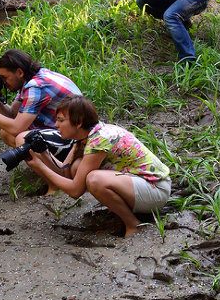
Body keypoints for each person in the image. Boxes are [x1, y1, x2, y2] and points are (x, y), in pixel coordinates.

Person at [25, 96, 171, 238]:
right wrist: (43, 153)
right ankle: (120, 209)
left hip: (156, 189)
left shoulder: (99, 139)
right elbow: (65, 173)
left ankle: (133, 225)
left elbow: (75, 191)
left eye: (61, 120)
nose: (56, 125)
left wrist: (40, 168)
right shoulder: (84, 137)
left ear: (79, 123)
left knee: (94, 179)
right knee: (77, 166)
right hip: (140, 186)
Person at [0, 49, 82, 176]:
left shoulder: (36, 86)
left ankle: (56, 177)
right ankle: (54, 165)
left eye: (5, 77)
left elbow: (16, 127)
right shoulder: (31, 79)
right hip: (67, 132)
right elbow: (13, 115)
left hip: (75, 139)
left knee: (23, 139)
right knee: (6, 133)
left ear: (19, 72)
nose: (4, 82)